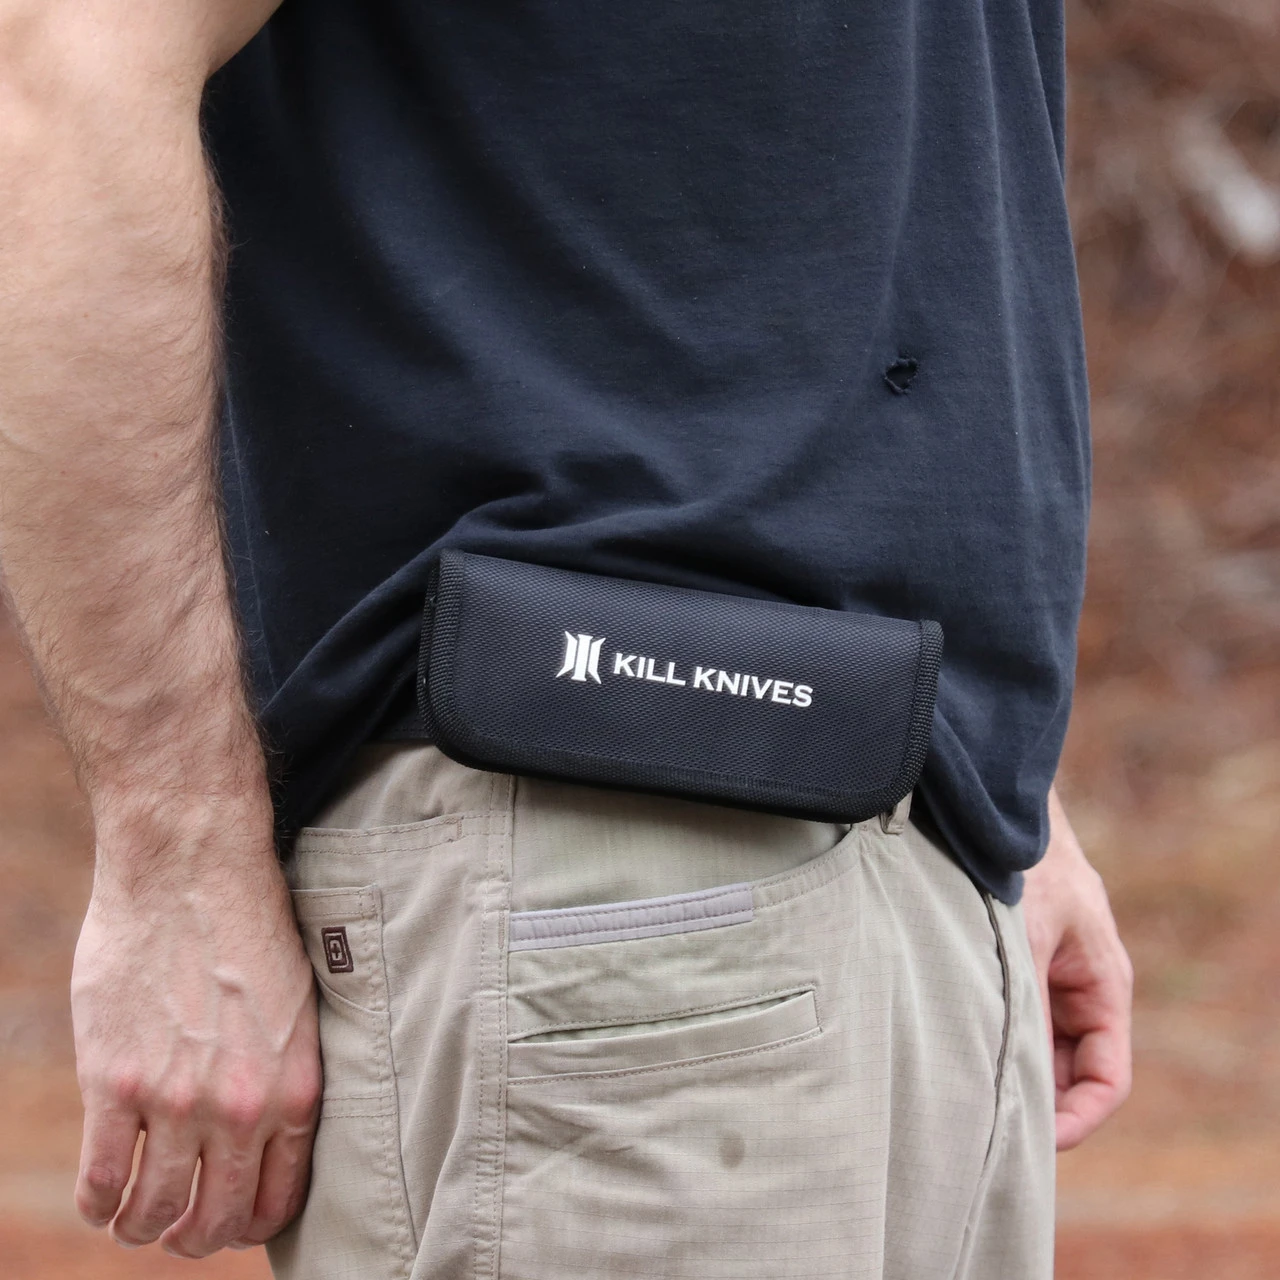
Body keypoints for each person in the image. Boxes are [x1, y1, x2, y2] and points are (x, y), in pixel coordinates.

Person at [0, 1, 1133, 1276]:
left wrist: (997, 777)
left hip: (916, 833)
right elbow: (76, 68)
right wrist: (176, 846)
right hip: (586, 846)